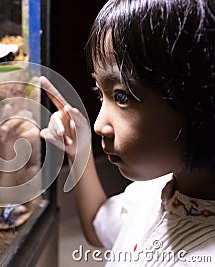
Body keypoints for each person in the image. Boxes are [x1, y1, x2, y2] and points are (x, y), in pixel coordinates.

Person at [40, 0, 215, 265]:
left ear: (201, 98)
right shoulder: (154, 192)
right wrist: (79, 150)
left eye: (121, 96)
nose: (99, 125)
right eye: (101, 94)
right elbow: (98, 224)